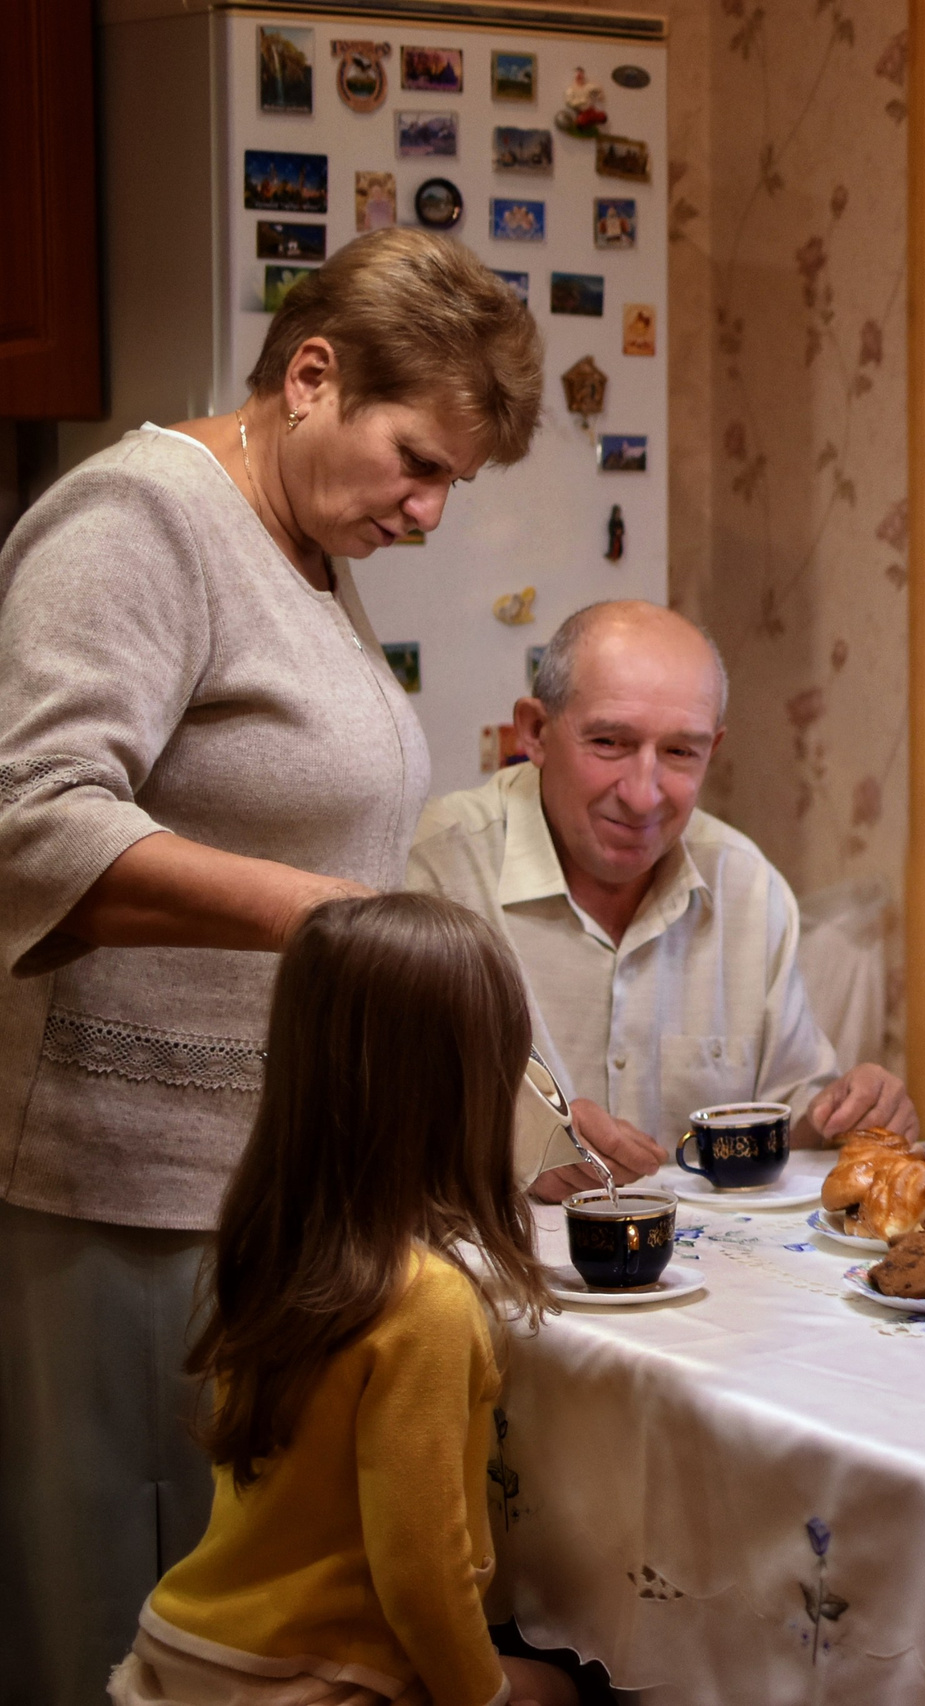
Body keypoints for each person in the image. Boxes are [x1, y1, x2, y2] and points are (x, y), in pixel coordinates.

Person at [0, 228, 543, 1702]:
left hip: (262, 1182)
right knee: (128, 1611)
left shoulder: (299, 544)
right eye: (416, 462)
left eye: (454, 482)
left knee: (244, 1625)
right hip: (124, 1182)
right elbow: (33, 821)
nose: (429, 510)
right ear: (312, 376)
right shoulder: (139, 518)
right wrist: (317, 914)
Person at [107, 893, 577, 1706]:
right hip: (308, 1679)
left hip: (192, 1647)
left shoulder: (275, 1248)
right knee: (568, 1687)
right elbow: (422, 1572)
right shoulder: (428, 1305)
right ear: (464, 1090)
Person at [408, 600, 914, 1199]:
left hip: (704, 1255)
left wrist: (849, 1112)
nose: (644, 796)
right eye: (609, 742)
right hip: (489, 1250)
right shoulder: (433, 872)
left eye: (679, 752)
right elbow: (360, 1126)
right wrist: (504, 1144)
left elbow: (791, 1111)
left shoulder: (747, 887)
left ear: (712, 750)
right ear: (535, 732)